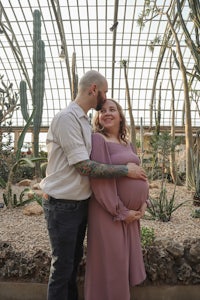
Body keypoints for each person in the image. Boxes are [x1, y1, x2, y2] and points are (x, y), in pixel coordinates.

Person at [40, 70, 147, 300]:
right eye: (105, 92)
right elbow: (85, 167)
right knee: (62, 269)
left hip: (78, 204)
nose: (106, 98)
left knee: (71, 264)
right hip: (62, 204)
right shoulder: (67, 118)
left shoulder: (83, 121)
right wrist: (126, 171)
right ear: (94, 90)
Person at [84, 99, 149, 300]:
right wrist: (121, 211)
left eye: (112, 109)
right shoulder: (98, 139)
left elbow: (140, 174)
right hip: (109, 212)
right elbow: (99, 182)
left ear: (120, 116)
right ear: (98, 117)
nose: (107, 113)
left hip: (131, 216)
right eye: (102, 111)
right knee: (113, 263)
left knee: (123, 263)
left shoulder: (128, 143)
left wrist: (144, 203)